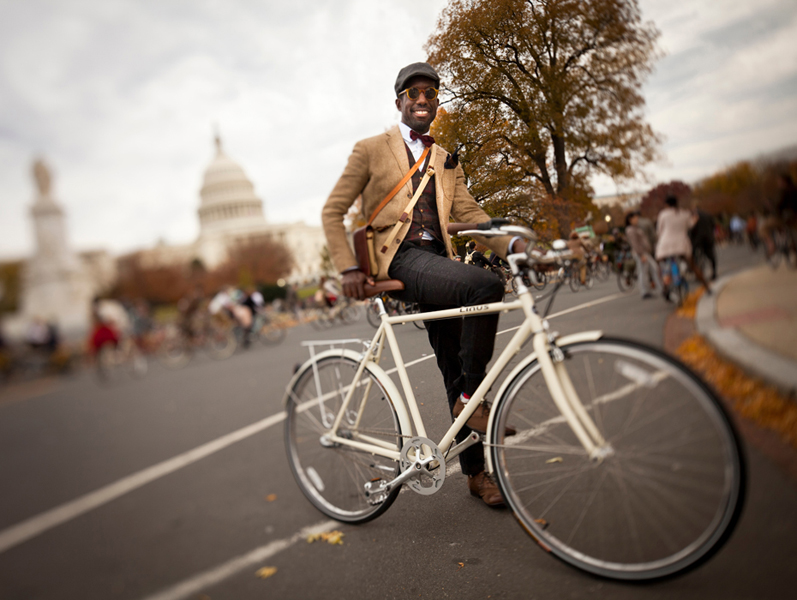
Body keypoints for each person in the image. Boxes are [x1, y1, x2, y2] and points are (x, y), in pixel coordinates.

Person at [322, 62, 525, 507]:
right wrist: (347, 269)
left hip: (438, 263)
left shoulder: (446, 159)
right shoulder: (371, 150)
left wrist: (514, 241)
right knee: (483, 288)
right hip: (399, 259)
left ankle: (476, 472)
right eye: (413, 93)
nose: (422, 99)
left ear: (436, 104)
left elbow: (472, 216)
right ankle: (473, 400)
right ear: (399, 102)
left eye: (431, 94)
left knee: (454, 362)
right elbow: (331, 212)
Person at [655, 195, 711, 293]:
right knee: (693, 266)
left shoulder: (663, 214)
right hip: (682, 243)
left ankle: (664, 287)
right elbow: (690, 226)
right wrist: (694, 219)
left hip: (665, 243)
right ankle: (707, 287)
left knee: (660, 264)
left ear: (666, 204)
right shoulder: (685, 213)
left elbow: (659, 231)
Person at [625, 211, 664, 299]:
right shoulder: (631, 230)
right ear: (630, 219)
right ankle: (646, 291)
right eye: (635, 218)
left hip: (644, 253)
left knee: (651, 270)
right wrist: (641, 254)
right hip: (641, 253)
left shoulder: (635, 228)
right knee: (645, 271)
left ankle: (657, 288)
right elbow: (635, 244)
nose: (637, 220)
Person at [689, 208, 717, 281]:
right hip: (708, 238)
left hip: (698, 240)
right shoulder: (707, 215)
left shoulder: (694, 217)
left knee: (696, 256)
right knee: (711, 256)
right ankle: (714, 272)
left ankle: (699, 273)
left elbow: (692, 228)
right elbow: (713, 225)